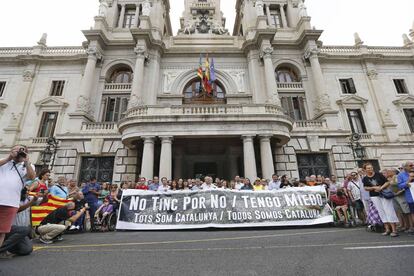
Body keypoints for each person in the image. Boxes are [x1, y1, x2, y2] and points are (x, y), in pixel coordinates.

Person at [0, 145, 36, 248]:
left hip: (11, 202)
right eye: (16, 149)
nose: (19, 152)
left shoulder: (28, 166)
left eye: (22, 150)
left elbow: (32, 177)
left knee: (2, 231)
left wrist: (26, 161)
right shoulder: (4, 161)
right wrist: (9, 158)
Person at [362, 163, 399, 237]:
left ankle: (394, 230)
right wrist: (373, 188)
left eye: (371, 167)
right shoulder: (365, 178)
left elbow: (387, 182)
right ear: (365, 170)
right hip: (374, 196)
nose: (370, 169)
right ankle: (387, 229)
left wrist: (381, 188)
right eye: (368, 168)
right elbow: (365, 188)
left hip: (384, 194)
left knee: (389, 210)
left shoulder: (379, 174)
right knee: (381, 211)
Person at [397, 162, 414, 233]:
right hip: (410, 197)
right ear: (405, 167)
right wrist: (408, 181)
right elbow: (400, 186)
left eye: (413, 165)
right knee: (412, 213)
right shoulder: (401, 175)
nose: (412, 166)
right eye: (411, 165)